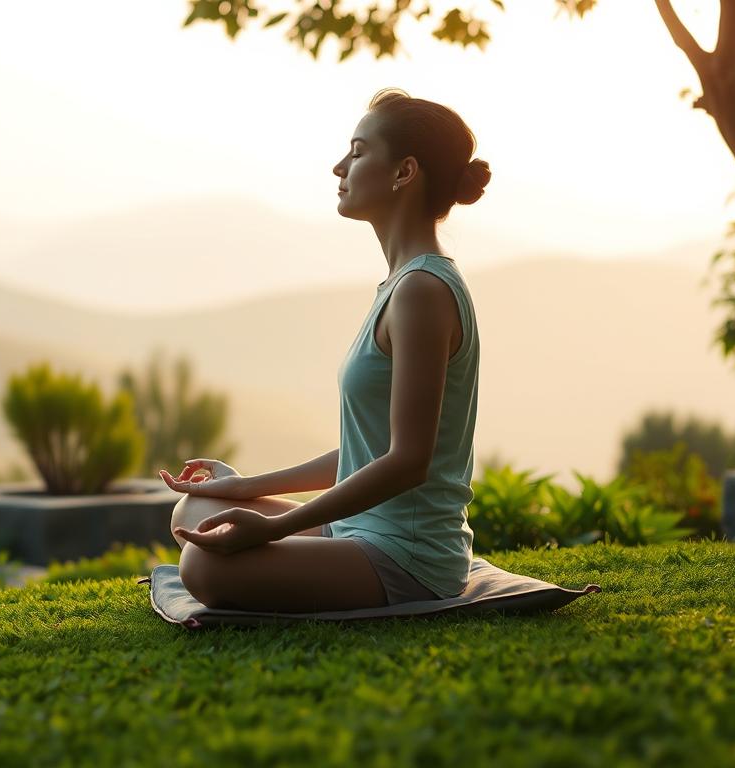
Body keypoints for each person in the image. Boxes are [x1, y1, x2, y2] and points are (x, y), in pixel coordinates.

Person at [159, 87, 490, 613]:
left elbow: (408, 462)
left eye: (357, 153)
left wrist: (274, 526)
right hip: (358, 529)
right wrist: (246, 489)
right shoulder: (401, 285)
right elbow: (369, 450)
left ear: (405, 172)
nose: (340, 167)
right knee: (197, 508)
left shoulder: (423, 292)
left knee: (202, 565)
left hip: (408, 556)